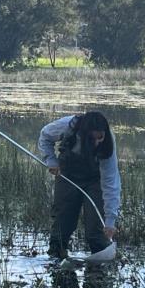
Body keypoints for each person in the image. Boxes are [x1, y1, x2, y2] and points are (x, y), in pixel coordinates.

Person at [38, 111, 121, 259]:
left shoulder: (108, 142)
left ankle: (99, 263)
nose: (97, 143)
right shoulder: (66, 126)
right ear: (83, 134)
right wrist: (51, 161)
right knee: (62, 224)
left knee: (96, 231)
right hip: (67, 176)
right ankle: (57, 259)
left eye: (100, 138)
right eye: (92, 139)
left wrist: (110, 221)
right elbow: (45, 136)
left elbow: (111, 182)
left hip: (95, 181)